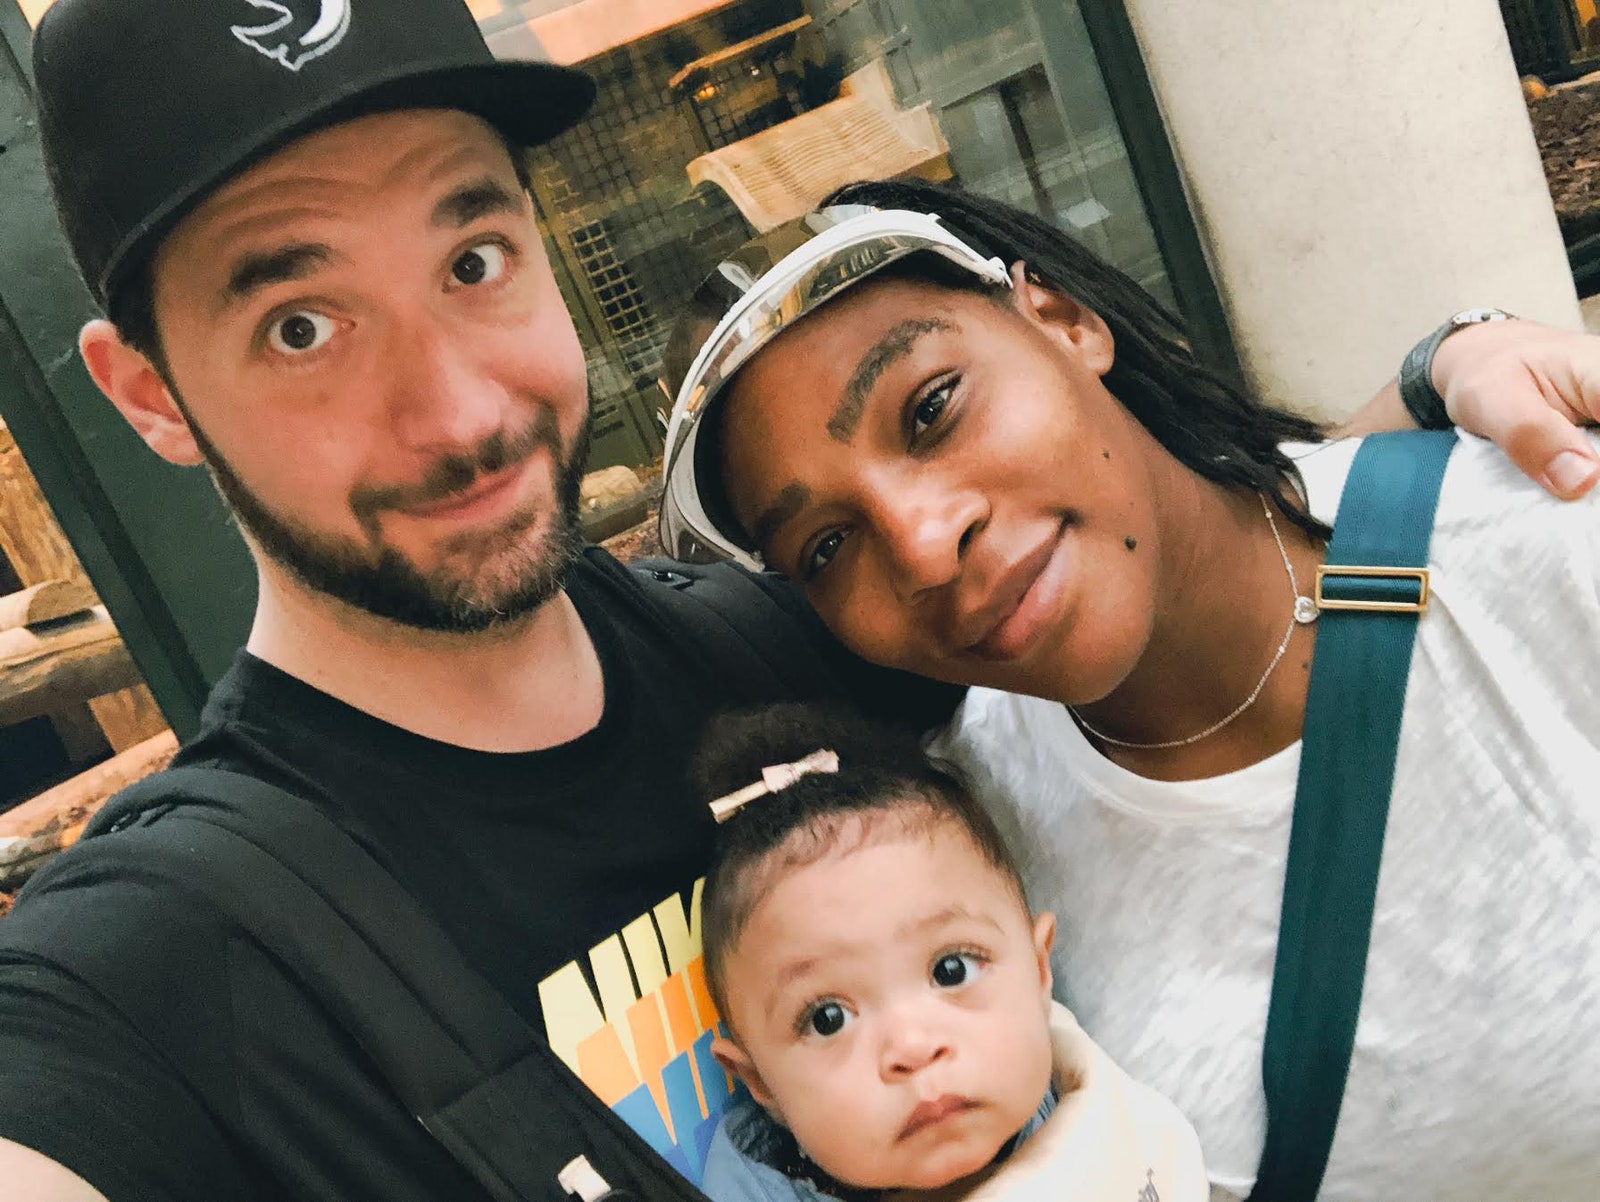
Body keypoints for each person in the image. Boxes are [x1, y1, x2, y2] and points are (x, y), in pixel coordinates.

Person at [0, 0, 1595, 1197]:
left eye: (472, 259)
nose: (458, 407)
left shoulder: (805, 663)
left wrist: (1443, 392)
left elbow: (1151, 545)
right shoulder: (171, 954)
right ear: (146, 393)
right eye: (300, 324)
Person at [657, 181, 1600, 1201]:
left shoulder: (1545, 538)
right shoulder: (952, 852)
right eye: (827, 545)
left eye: (932, 409)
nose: (924, 547)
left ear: (1064, 319)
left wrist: (1452, 351)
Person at [691, 702, 1207, 1202]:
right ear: (761, 1083)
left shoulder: (1098, 1109)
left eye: (951, 970)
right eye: (827, 1018)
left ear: (1038, 970)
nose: (914, 1047)